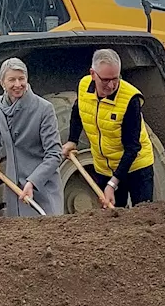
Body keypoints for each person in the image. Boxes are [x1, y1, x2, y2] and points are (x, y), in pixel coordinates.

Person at [61, 48, 156, 209]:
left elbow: (133, 147)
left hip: (136, 167)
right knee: (113, 218)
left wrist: (112, 184)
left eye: (116, 79)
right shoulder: (84, 85)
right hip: (104, 167)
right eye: (105, 80)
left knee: (143, 216)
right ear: (93, 74)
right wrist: (72, 140)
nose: (111, 85)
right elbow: (78, 111)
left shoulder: (130, 99)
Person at [0, 57, 64, 217]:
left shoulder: (44, 109)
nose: (18, 84)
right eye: (12, 80)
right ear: (2, 83)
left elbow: (54, 155)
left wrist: (32, 182)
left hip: (42, 189)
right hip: (14, 188)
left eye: (21, 79)